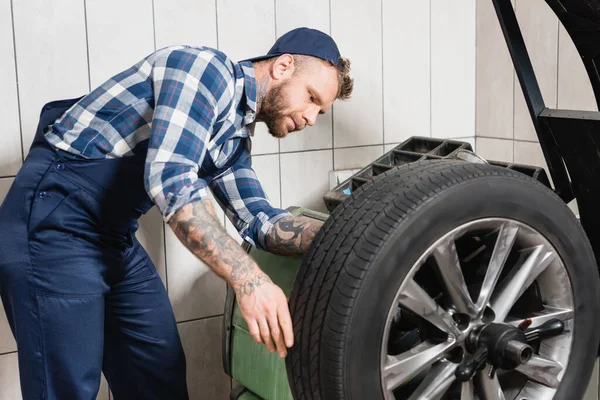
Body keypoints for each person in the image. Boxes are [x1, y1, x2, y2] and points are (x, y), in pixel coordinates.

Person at [0, 27, 353, 400]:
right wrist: (250, 279)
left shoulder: (232, 136)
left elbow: (260, 221)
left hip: (111, 237)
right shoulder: (204, 70)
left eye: (321, 110)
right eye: (312, 98)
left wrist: (347, 235)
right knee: (66, 388)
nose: (312, 117)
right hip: (52, 223)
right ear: (283, 67)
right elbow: (170, 178)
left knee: (156, 374)